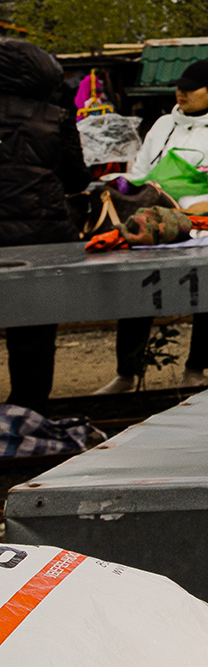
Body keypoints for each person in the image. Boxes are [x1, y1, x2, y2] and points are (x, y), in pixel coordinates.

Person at [100, 59, 208, 393]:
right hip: (156, 224)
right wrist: (120, 185)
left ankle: (196, 371)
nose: (181, 93)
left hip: (203, 226)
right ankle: (127, 374)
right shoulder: (160, 126)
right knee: (138, 290)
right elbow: (141, 169)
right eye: (179, 87)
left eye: (191, 88)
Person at [1, 39, 86, 409]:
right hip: (43, 240)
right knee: (33, 329)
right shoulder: (56, 117)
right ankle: (27, 410)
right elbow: (77, 179)